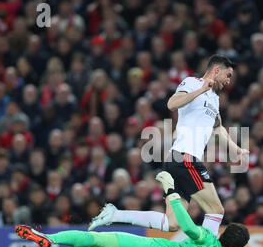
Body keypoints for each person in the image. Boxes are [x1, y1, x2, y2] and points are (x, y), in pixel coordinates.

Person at [89, 55, 249, 236]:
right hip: (184, 157)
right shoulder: (193, 83)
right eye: (228, 75)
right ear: (217, 70)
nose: (229, 81)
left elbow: (218, 127)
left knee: (172, 223)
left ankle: (115, 215)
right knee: (216, 210)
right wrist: (201, 90)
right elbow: (172, 104)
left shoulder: (215, 99)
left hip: (180, 160)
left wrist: (236, 149)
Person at [15, 171, 263, 247]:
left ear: (224, 233)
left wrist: (170, 192)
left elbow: (186, 224)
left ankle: (50, 239)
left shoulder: (207, 238)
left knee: (94, 240)